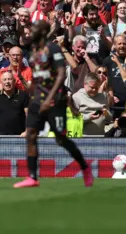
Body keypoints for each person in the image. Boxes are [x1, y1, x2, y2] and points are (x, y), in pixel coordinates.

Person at [13, 20, 93, 189]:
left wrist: (50, 98)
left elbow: (62, 74)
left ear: (42, 32)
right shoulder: (34, 52)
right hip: (37, 101)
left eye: (34, 28)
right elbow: (37, 78)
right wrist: (32, 93)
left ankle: (85, 167)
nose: (30, 31)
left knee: (61, 139)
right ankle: (32, 177)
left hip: (54, 101)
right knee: (31, 135)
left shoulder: (53, 48)